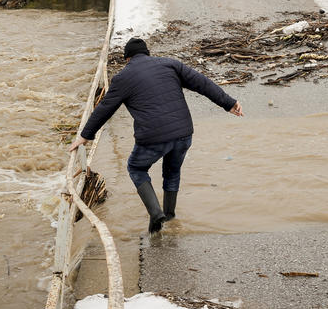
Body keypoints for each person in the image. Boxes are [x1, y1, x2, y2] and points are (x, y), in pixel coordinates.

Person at [69, 38, 243, 233]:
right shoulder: (171, 64)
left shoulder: (123, 77)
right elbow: (202, 83)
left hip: (153, 137)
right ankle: (169, 216)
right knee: (172, 172)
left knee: (136, 168)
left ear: (127, 58)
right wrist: (229, 103)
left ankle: (155, 213)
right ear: (147, 53)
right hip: (183, 133)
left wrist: (85, 136)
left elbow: (105, 108)